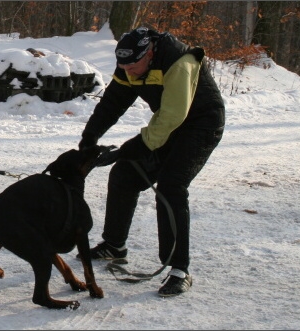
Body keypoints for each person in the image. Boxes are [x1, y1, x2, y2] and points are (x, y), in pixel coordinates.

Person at [77, 27, 225, 297]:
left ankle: (179, 269)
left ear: (150, 53)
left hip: (200, 125)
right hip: (169, 125)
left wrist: (130, 147)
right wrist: (90, 137)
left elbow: (172, 116)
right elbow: (113, 102)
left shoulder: (180, 62)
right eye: (123, 66)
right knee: (124, 174)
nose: (128, 71)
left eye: (133, 66)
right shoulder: (129, 63)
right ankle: (114, 245)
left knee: (171, 187)